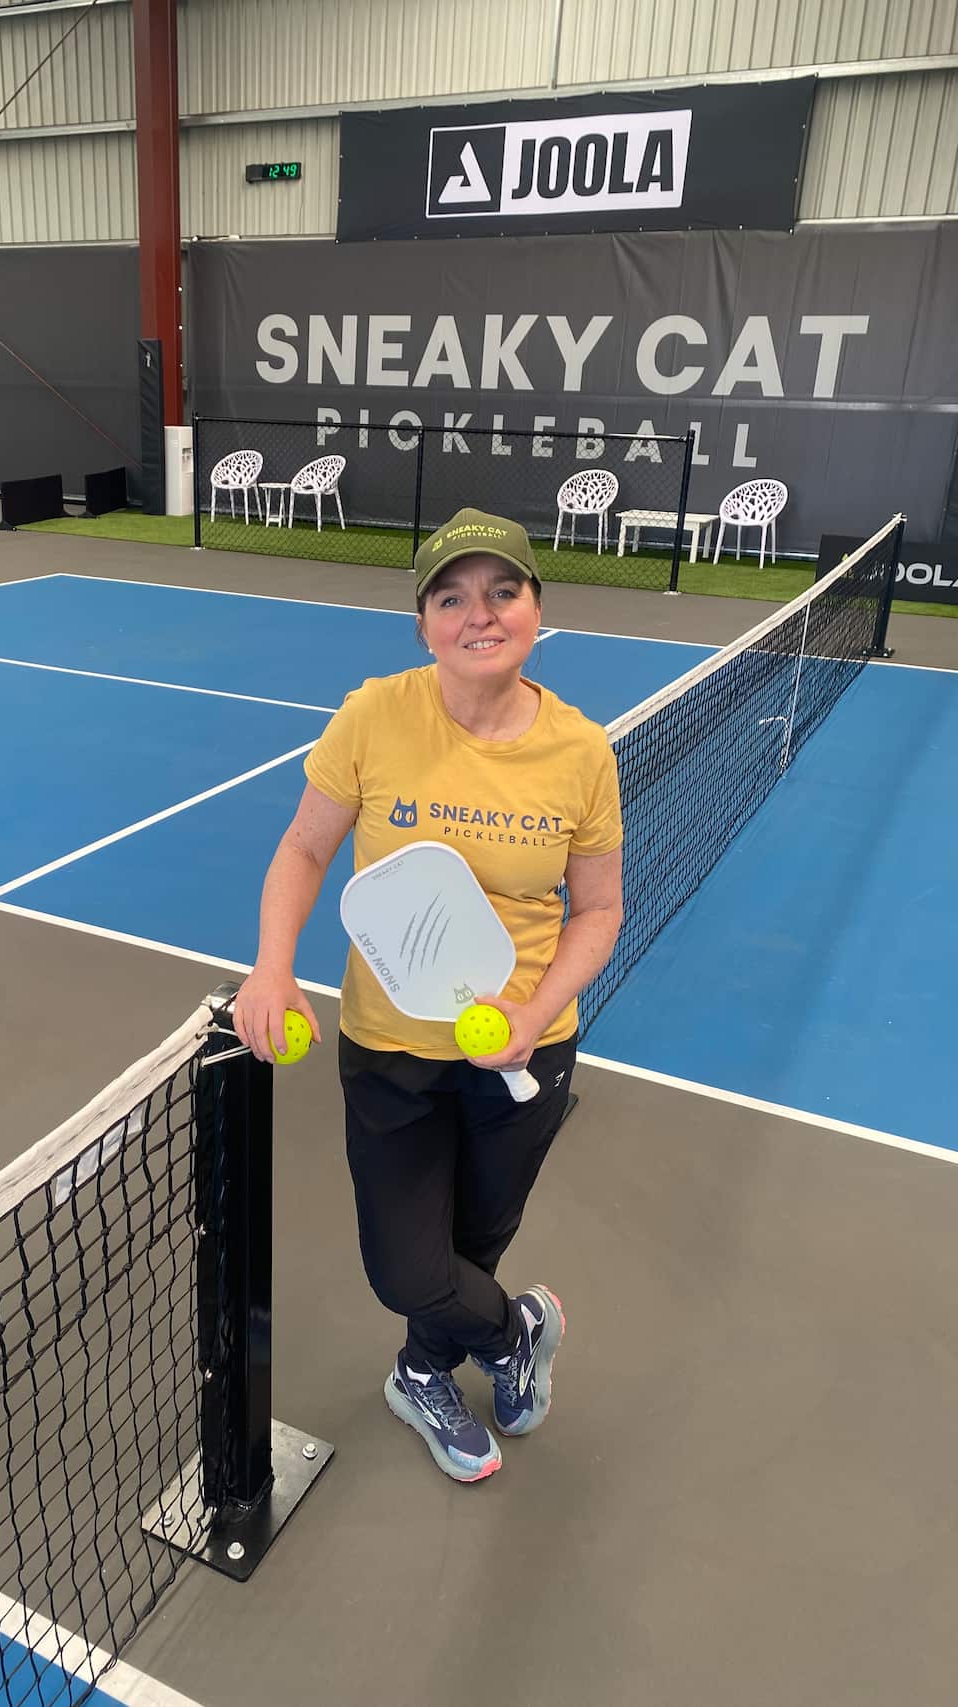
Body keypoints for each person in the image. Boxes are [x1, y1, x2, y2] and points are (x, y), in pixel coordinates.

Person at [233, 507, 624, 1484]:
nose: (478, 614)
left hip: (522, 1049)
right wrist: (272, 967)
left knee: (473, 1245)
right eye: (451, 598)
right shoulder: (373, 716)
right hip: (390, 1048)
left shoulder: (580, 751)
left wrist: (533, 1015)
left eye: (502, 591)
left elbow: (599, 909)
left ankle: (420, 1374)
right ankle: (516, 1332)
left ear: (536, 608)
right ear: (423, 624)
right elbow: (304, 847)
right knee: (408, 1266)